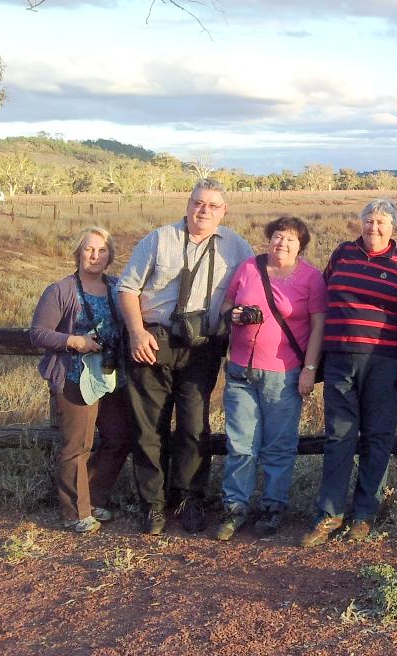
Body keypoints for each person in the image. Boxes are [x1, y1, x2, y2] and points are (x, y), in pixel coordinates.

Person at [117, 178, 254, 536]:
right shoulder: (159, 239)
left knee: (194, 426)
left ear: (223, 211)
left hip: (202, 347)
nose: (204, 210)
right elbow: (127, 289)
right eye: (198, 202)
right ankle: (153, 504)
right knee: (150, 428)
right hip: (152, 341)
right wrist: (136, 332)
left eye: (212, 205)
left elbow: (254, 288)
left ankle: (189, 498)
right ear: (188, 204)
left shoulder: (237, 248)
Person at [302, 199, 397, 547]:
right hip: (340, 358)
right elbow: (321, 301)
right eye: (369, 221)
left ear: (393, 228)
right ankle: (329, 514)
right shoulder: (342, 254)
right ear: (360, 223)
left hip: (385, 362)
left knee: (377, 438)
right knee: (339, 437)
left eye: (381, 223)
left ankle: (363, 515)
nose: (374, 228)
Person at [215, 216, 327, 541]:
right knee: (240, 444)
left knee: (278, 446)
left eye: (290, 240)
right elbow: (227, 303)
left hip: (285, 373)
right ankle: (234, 508)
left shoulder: (311, 278)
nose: (282, 244)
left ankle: (272, 508)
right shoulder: (249, 267)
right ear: (269, 239)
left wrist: (309, 369)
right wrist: (232, 314)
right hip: (240, 370)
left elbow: (318, 326)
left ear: (301, 246)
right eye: (278, 237)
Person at [30, 226, 134, 533]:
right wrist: (75, 341)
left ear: (110, 255)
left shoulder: (117, 287)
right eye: (89, 249)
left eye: (102, 250)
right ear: (78, 253)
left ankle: (93, 500)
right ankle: (75, 512)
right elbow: (38, 333)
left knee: (119, 438)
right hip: (74, 376)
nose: (95, 256)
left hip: (109, 375)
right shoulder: (60, 290)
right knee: (78, 445)